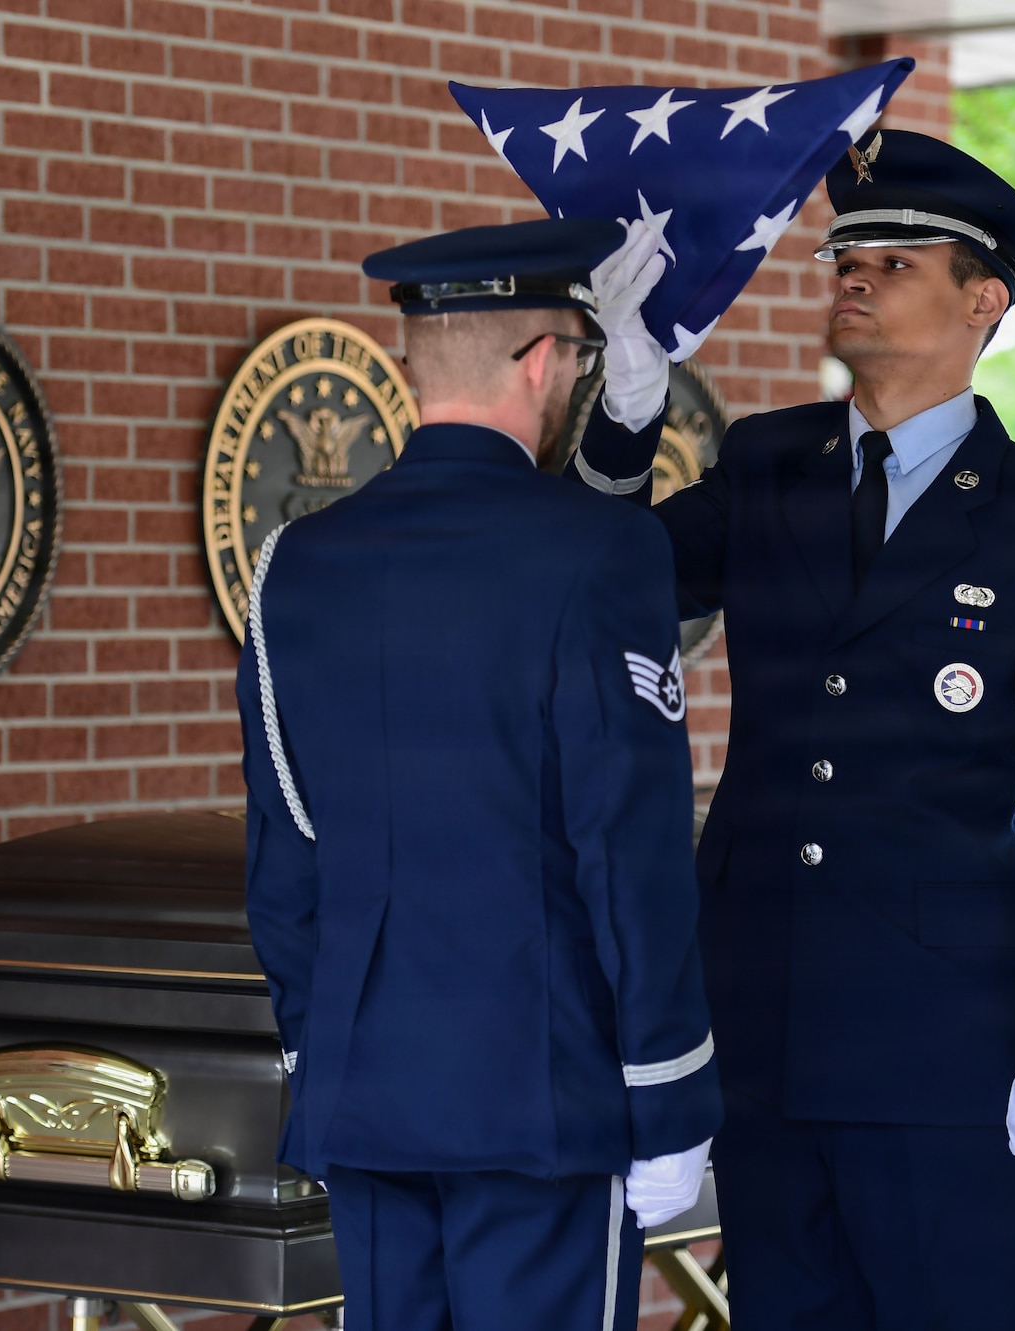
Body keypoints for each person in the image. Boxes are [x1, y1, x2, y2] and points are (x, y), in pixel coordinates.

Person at [569, 131, 1015, 1328]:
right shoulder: (766, 462)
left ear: (981, 298)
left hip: (947, 1043)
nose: (852, 272)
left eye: (894, 260)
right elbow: (596, 581)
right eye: (845, 254)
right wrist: (624, 415)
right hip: (764, 1021)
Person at [237, 217, 724, 1331]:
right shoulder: (601, 551)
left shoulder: (294, 563)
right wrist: (667, 1086)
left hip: (365, 1093)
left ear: (413, 362)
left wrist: (331, 1058)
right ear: (545, 361)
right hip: (539, 1101)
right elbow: (630, 851)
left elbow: (285, 854)